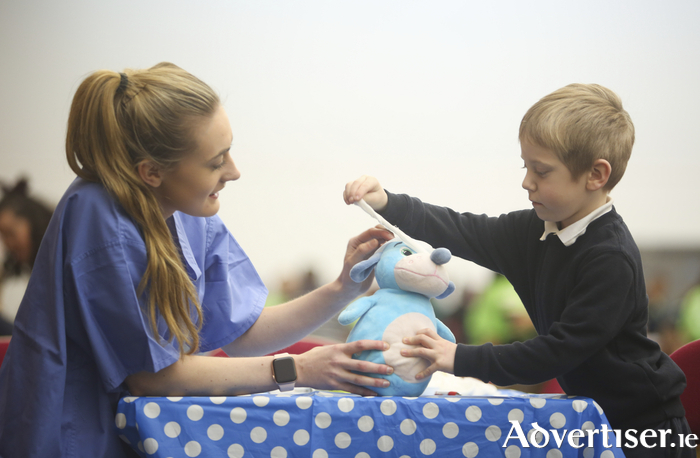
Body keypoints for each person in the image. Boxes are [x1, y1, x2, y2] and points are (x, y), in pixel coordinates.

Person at [0, 62, 394, 458]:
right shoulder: (100, 219)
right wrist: (299, 369)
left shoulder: (187, 210)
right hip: (72, 436)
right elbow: (152, 378)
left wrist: (343, 288)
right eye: (215, 161)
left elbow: (243, 331)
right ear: (151, 171)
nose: (234, 172)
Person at [344, 84, 694, 457]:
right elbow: (461, 228)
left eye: (541, 171)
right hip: (590, 418)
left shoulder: (610, 258)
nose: (527, 182)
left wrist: (459, 357)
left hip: (645, 427)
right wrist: (388, 203)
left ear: (596, 175)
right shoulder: (535, 231)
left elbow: (558, 351)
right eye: (526, 166)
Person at [0, 178, 54, 335]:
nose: (8, 244)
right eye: (3, 237)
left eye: (11, 233)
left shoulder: (57, 263)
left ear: (33, 223)